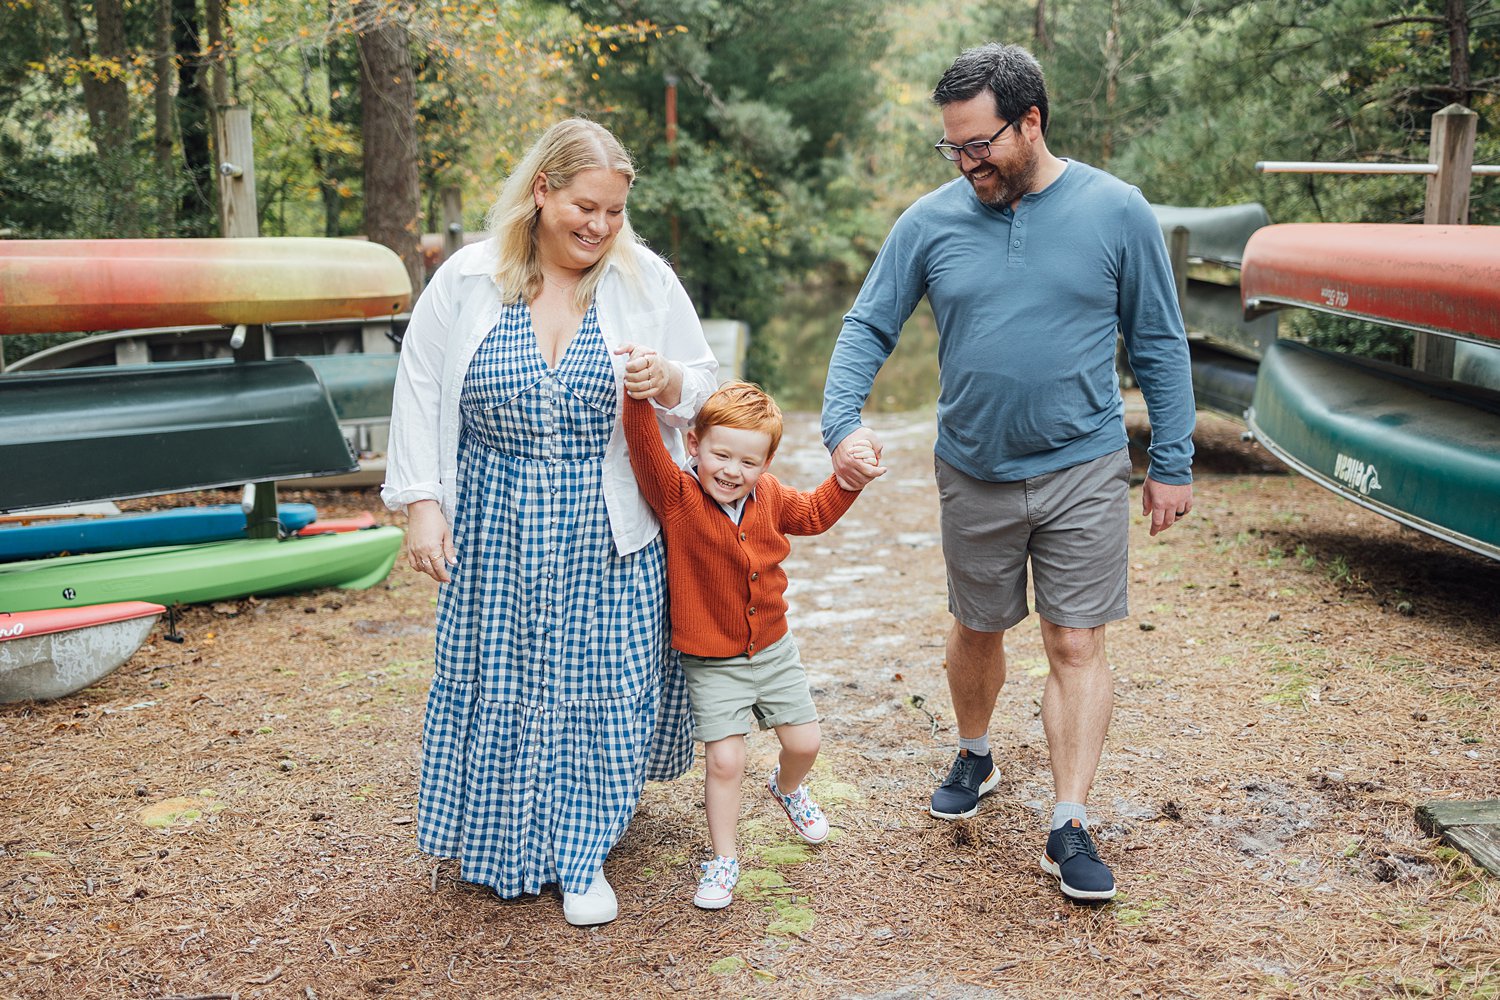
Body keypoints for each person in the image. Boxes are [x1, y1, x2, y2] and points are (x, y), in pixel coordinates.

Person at [820, 43, 1195, 903]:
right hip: (975, 468)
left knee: (1074, 639)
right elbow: (868, 324)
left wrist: (1170, 459)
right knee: (977, 628)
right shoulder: (930, 221)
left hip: (1083, 463)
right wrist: (841, 424)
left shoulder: (1117, 211)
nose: (965, 162)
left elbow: (1160, 342)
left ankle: (1068, 822)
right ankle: (977, 749)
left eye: (979, 144)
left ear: (1031, 122)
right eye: (951, 147)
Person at [381, 118, 719, 927]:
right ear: (542, 192)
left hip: (608, 527)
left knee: (596, 688)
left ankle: (581, 857)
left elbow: (706, 387)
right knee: (506, 681)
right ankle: (505, 841)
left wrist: (667, 376)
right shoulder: (468, 279)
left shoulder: (644, 281)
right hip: (496, 520)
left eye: (613, 212)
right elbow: (421, 386)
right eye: (584, 207)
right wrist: (422, 504)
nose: (599, 227)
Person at [618, 374, 881, 909]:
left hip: (773, 649)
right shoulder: (678, 495)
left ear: (765, 464)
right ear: (694, 445)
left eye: (749, 462)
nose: (732, 471)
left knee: (805, 744)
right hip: (712, 660)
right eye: (721, 455)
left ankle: (787, 789)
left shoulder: (771, 496)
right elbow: (644, 448)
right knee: (725, 761)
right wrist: (638, 393)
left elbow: (812, 514)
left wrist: (848, 480)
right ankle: (722, 858)